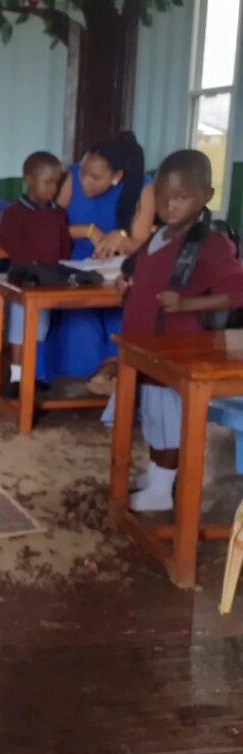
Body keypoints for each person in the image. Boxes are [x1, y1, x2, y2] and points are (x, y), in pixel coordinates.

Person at [116, 150, 243, 512]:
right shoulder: (158, 237)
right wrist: (128, 283)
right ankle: (158, 475)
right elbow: (145, 272)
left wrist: (186, 304)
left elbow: (237, 293)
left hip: (178, 352)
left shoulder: (211, 243)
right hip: (149, 348)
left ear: (206, 194)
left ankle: (162, 489)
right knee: (154, 420)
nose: (170, 206)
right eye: (162, 198)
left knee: (171, 423)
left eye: (181, 197)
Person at [47, 131, 155, 387]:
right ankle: (95, 377)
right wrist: (88, 230)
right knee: (80, 325)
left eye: (95, 177)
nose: (85, 180)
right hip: (72, 272)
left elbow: (142, 246)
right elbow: (45, 228)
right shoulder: (71, 179)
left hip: (115, 274)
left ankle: (110, 374)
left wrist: (121, 239)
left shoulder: (142, 187)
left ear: (117, 177)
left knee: (122, 317)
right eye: (84, 171)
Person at [0, 151, 71, 396]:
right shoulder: (14, 213)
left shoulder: (58, 213)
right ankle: (17, 378)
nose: (53, 188)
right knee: (20, 331)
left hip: (48, 280)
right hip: (24, 279)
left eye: (56, 183)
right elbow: (7, 242)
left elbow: (64, 245)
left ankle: (34, 373)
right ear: (29, 180)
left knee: (40, 330)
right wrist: (27, 265)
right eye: (47, 182)